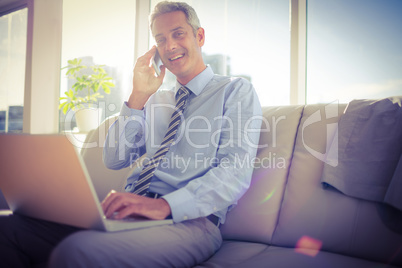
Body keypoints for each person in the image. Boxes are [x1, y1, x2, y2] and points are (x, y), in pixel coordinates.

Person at [0, 1, 262, 267]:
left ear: (200, 36)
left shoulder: (235, 90)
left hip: (191, 223)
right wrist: (138, 95)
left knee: (78, 251)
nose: (170, 45)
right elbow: (114, 159)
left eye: (178, 33)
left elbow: (235, 170)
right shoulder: (154, 101)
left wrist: (164, 206)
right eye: (161, 39)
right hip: (126, 215)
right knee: (8, 228)